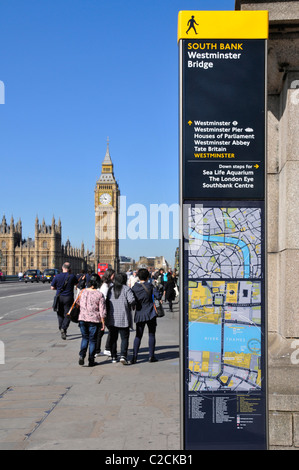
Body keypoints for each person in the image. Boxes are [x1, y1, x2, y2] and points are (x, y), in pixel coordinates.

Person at [131, 268, 162, 364]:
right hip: (151, 312)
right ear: (148, 277)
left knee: (138, 336)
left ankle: (135, 356)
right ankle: (151, 356)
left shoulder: (134, 288)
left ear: (138, 277)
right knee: (151, 334)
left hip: (140, 313)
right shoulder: (150, 286)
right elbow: (158, 296)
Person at [75, 273, 106, 367]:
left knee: (85, 338)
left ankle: (81, 356)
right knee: (92, 340)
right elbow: (102, 311)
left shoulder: (82, 292)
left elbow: (77, 302)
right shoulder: (99, 294)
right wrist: (103, 323)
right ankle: (91, 360)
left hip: (82, 319)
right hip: (94, 320)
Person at [106, 272, 135, 364]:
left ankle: (114, 357)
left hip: (112, 318)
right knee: (124, 338)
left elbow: (107, 302)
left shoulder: (110, 289)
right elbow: (132, 300)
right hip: (124, 318)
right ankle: (123, 356)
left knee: (113, 338)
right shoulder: (126, 289)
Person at [51, 262, 78, 339]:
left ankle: (61, 328)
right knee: (68, 314)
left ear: (62, 267)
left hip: (59, 297)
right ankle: (64, 328)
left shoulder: (57, 276)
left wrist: (58, 289)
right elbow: (77, 284)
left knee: (60, 314)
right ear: (69, 269)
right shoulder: (72, 276)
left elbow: (52, 287)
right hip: (68, 298)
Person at [94, 268, 115, 357]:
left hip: (107, 310)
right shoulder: (105, 286)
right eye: (113, 274)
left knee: (102, 330)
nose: (114, 276)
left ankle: (98, 350)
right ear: (109, 275)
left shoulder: (110, 284)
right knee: (109, 329)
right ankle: (106, 349)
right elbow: (103, 299)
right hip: (105, 310)